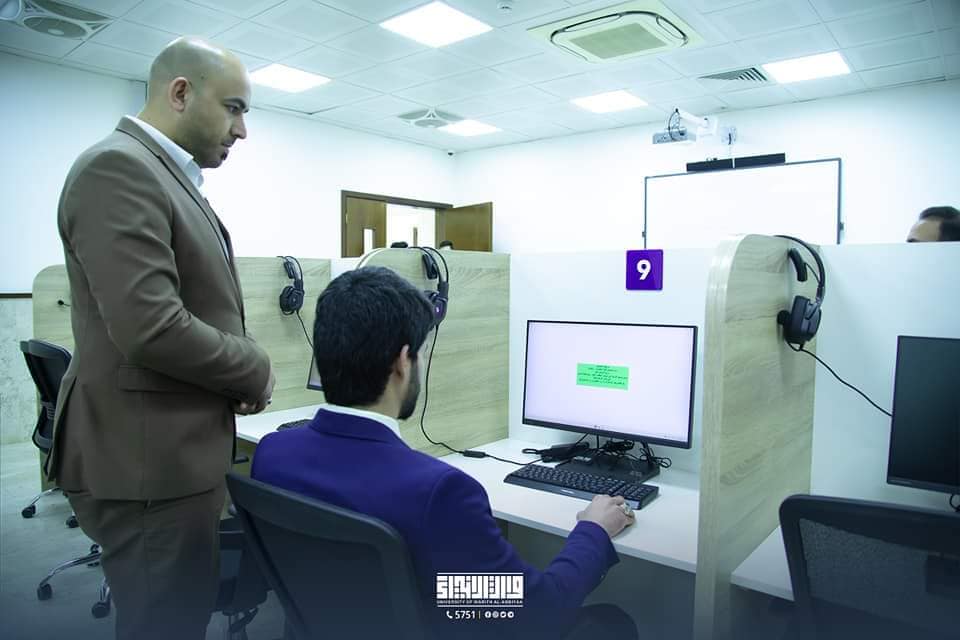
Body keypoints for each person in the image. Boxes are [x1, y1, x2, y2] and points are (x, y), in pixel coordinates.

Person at [252, 266, 638, 639]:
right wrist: (593, 530)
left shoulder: (272, 455)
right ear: (402, 363)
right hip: (441, 613)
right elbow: (537, 613)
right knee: (610, 622)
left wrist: (462, 589)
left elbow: (446, 588)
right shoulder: (439, 493)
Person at [49, 37, 274, 640]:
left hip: (166, 454)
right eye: (233, 108)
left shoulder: (162, 173)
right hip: (148, 464)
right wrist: (251, 368)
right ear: (180, 93)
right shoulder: (118, 168)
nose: (242, 129)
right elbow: (152, 327)